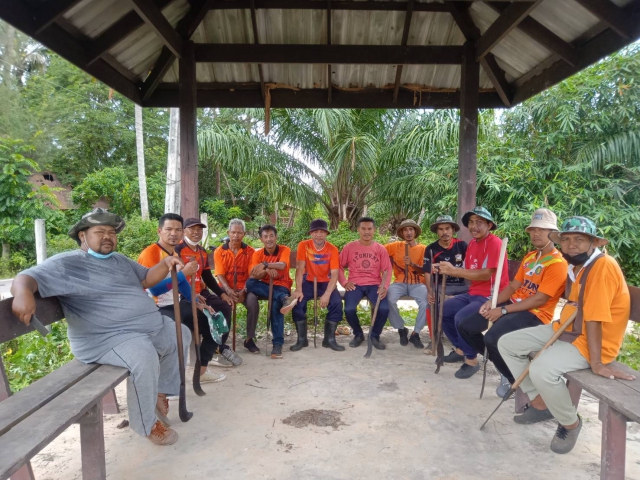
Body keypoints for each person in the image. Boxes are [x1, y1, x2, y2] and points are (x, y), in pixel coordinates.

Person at [11, 208, 191, 445]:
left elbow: (147, 278)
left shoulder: (119, 260)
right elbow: (26, 277)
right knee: (143, 356)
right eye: (100, 232)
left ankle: (159, 392)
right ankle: (146, 425)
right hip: (105, 339)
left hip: (146, 329)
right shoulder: (68, 262)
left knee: (180, 334)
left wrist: (167, 262)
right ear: (83, 236)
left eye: (111, 232)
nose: (108, 236)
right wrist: (23, 292)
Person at [498, 216, 634, 454]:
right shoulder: (577, 266)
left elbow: (594, 318)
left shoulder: (602, 265)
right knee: (508, 343)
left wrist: (597, 362)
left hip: (594, 342)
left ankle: (570, 422)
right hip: (566, 329)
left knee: (542, 368)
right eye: (567, 239)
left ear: (593, 243)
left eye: (579, 239)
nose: (571, 245)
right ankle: (540, 402)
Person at [457, 208, 567, 397]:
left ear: (553, 234)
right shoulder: (531, 257)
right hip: (513, 306)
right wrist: (492, 303)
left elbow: (540, 299)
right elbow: (512, 287)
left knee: (492, 338)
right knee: (466, 326)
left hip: (534, 314)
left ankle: (515, 381)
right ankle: (505, 366)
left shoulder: (557, 263)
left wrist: (503, 311)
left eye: (542, 229)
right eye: (533, 229)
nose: (536, 233)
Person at [138, 213, 226, 384]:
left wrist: (195, 301)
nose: (174, 233)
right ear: (159, 231)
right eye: (169, 229)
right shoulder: (151, 253)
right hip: (155, 309)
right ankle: (167, 383)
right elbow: (154, 289)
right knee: (174, 337)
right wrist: (183, 274)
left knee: (213, 322)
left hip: (177, 303)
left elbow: (182, 284)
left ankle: (201, 371)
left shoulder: (173, 253)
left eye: (178, 230)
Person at [435, 207, 509, 379]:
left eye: (479, 222)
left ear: (489, 225)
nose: (474, 226)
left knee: (461, 318)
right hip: (473, 293)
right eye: (471, 222)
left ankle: (471, 360)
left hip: (492, 296)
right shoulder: (473, 244)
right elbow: (469, 271)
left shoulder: (495, 243)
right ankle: (461, 348)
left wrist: (454, 271)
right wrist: (445, 268)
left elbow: (486, 274)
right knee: (442, 309)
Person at [175, 218, 242, 368]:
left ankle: (216, 348)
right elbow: (175, 279)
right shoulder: (177, 250)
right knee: (206, 319)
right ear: (184, 230)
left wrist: (222, 294)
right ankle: (211, 352)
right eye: (192, 229)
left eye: (199, 229)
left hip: (201, 292)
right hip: (183, 295)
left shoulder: (201, 251)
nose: (196, 232)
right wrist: (193, 299)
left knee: (225, 307)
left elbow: (207, 276)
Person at [290, 219, 344, 352]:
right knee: (297, 302)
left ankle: (329, 339)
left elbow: (335, 273)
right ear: (311, 233)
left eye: (322, 232)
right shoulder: (304, 245)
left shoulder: (332, 249)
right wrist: (298, 289)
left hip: (326, 282)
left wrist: (327, 294)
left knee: (336, 303)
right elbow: (300, 268)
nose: (319, 235)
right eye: (315, 232)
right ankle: (302, 339)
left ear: (326, 233)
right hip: (308, 280)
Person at [339, 217, 392, 349]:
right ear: (358, 230)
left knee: (384, 308)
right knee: (349, 309)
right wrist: (345, 282)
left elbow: (387, 269)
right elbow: (338, 266)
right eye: (363, 228)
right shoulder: (349, 247)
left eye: (369, 229)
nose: (366, 232)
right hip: (355, 285)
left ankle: (374, 335)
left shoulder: (380, 249)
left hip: (375, 284)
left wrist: (384, 286)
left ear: (374, 230)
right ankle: (358, 334)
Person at [245, 225, 294, 359]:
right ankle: (284, 299)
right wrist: (267, 271)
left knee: (275, 306)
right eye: (265, 236)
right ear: (261, 239)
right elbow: (254, 275)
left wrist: (265, 265)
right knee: (250, 283)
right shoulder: (258, 254)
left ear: (276, 237)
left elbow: (282, 265)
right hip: (265, 286)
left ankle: (277, 344)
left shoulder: (284, 249)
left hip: (282, 285)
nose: (269, 239)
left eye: (271, 236)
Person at [423, 215, 469, 351]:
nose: (445, 232)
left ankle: (463, 339)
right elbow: (426, 272)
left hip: (462, 285)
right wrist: (430, 291)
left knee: (467, 305)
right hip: (440, 286)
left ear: (453, 229)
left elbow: (470, 268)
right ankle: (435, 339)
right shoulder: (431, 249)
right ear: (437, 232)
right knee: (431, 305)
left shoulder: (462, 245)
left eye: (447, 228)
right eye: (441, 229)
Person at [214, 219, 260, 354]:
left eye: (239, 233)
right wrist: (228, 291)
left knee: (253, 302)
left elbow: (252, 274)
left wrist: (244, 291)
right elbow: (220, 274)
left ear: (244, 234)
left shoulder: (250, 251)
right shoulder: (219, 251)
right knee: (223, 304)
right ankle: (220, 342)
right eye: (233, 232)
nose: (236, 236)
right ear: (228, 233)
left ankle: (249, 339)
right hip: (225, 287)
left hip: (245, 287)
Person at [384, 219, 427, 348]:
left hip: (417, 282)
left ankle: (416, 333)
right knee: (388, 299)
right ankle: (401, 329)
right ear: (402, 233)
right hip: (400, 282)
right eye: (405, 230)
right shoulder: (395, 246)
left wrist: (413, 265)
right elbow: (377, 251)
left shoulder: (423, 248)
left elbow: (425, 270)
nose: (408, 233)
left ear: (415, 232)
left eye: (411, 229)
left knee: (426, 303)